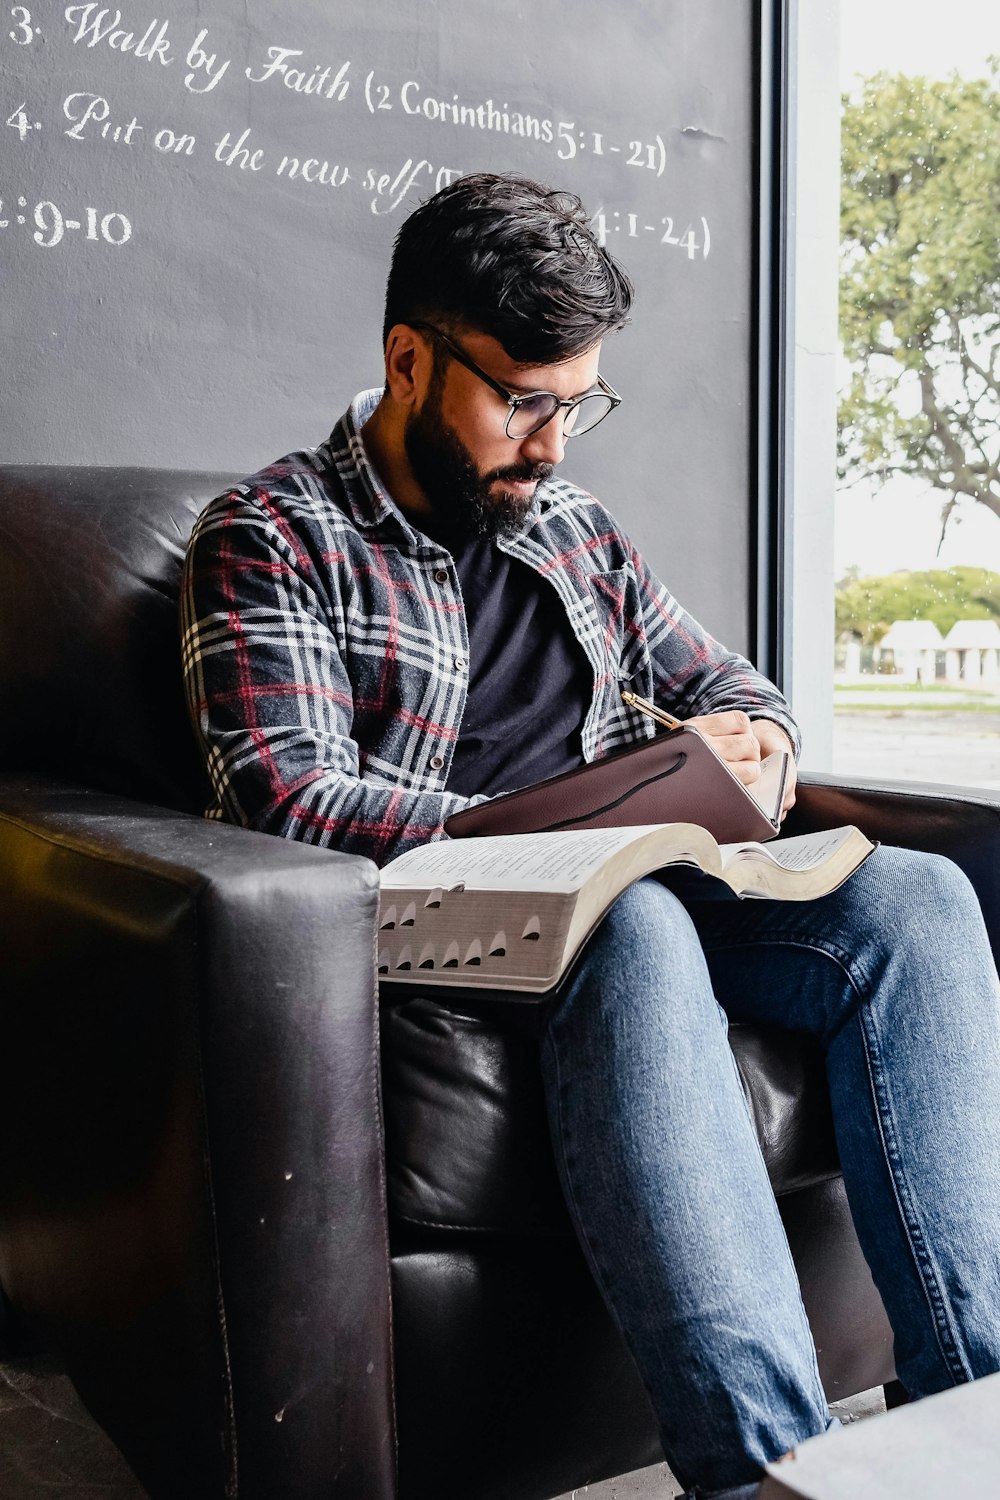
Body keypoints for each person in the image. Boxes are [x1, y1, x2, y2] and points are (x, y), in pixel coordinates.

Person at [180, 172, 1000, 1500]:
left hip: (640, 874)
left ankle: (974, 1421)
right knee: (635, 919)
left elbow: (733, 683)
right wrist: (557, 835)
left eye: (579, 403)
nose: (555, 445)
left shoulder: (571, 528)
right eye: (523, 402)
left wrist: (754, 748)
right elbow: (289, 801)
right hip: (468, 929)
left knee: (918, 899)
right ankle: (768, 1473)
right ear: (407, 359)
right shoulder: (273, 537)